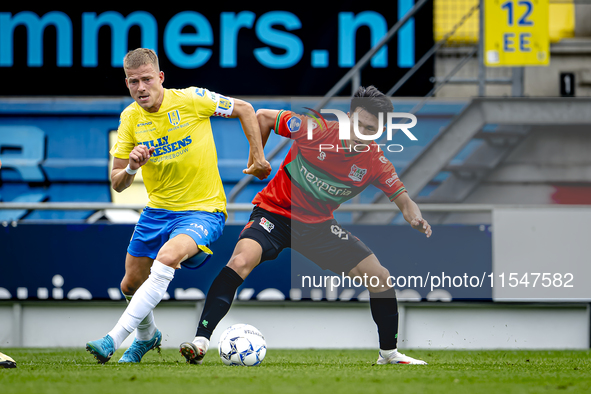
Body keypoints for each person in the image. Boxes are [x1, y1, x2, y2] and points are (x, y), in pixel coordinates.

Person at [179, 86, 432, 365]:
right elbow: (262, 116)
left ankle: (389, 354)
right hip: (274, 213)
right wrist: (257, 159)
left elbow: (404, 200)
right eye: (358, 124)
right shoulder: (315, 129)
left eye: (370, 129)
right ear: (348, 116)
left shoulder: (376, 162)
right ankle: (201, 341)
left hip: (319, 227)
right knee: (240, 261)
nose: (362, 132)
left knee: (380, 277)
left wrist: (415, 217)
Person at [85, 48, 271, 364]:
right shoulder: (130, 118)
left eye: (146, 80)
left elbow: (244, 108)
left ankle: (113, 339)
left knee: (168, 256)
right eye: (133, 82)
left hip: (204, 209)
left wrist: (258, 156)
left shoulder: (191, 100)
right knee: (130, 282)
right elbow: (117, 182)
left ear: (160, 78)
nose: (140, 88)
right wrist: (131, 167)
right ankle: (147, 337)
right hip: (157, 212)